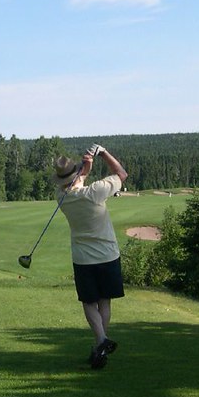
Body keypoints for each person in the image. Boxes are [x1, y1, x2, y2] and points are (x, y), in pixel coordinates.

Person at [53, 145, 128, 369]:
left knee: (89, 302)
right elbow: (121, 174)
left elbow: (76, 182)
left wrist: (85, 169)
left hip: (83, 258)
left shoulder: (62, 197)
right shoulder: (95, 191)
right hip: (108, 255)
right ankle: (101, 343)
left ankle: (100, 343)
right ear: (76, 175)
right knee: (104, 300)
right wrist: (103, 153)